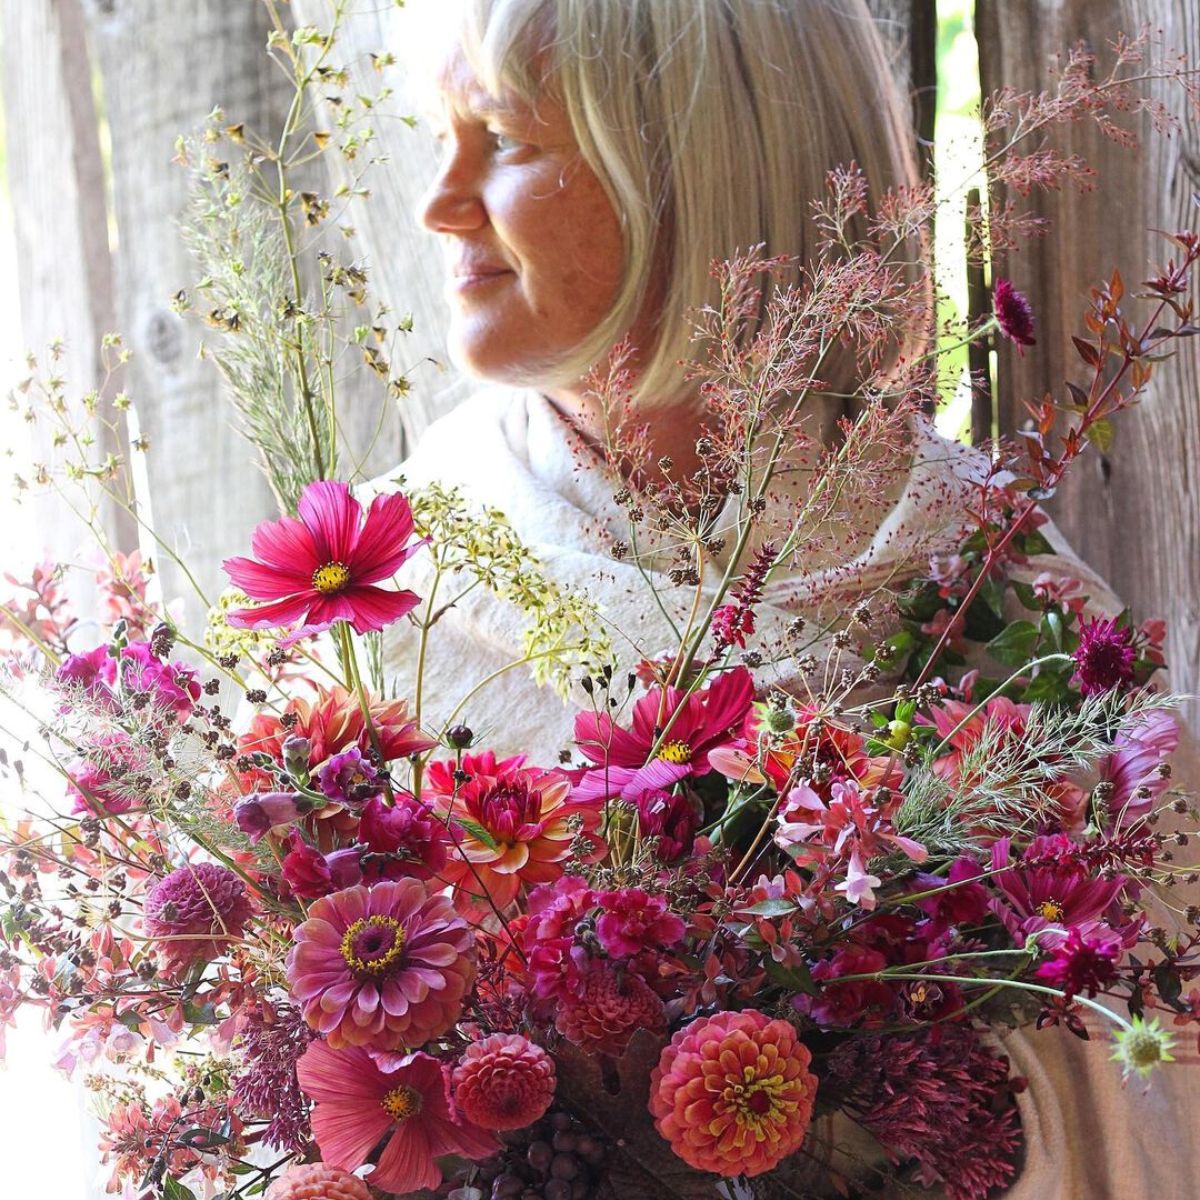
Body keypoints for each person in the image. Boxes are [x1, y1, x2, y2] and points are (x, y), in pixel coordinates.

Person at [382, 1, 1200, 1196]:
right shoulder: (388, 596)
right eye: (443, 137)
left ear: (691, 173)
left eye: (502, 139)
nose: (440, 202)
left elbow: (1149, 1086)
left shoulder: (1002, 609)